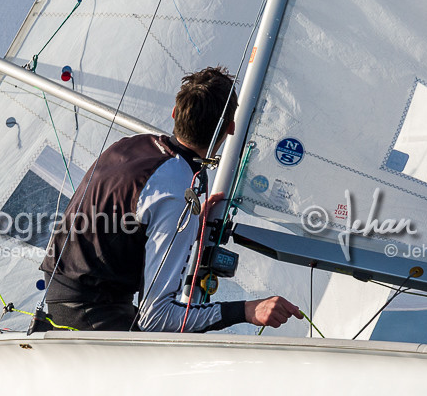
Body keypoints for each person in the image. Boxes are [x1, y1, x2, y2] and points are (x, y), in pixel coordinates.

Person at [33, 65, 301, 333]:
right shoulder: (178, 192)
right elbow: (157, 318)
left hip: (63, 301)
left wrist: (187, 224)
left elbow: (127, 223)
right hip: (90, 317)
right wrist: (245, 310)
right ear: (230, 128)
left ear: (174, 114)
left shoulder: (128, 145)